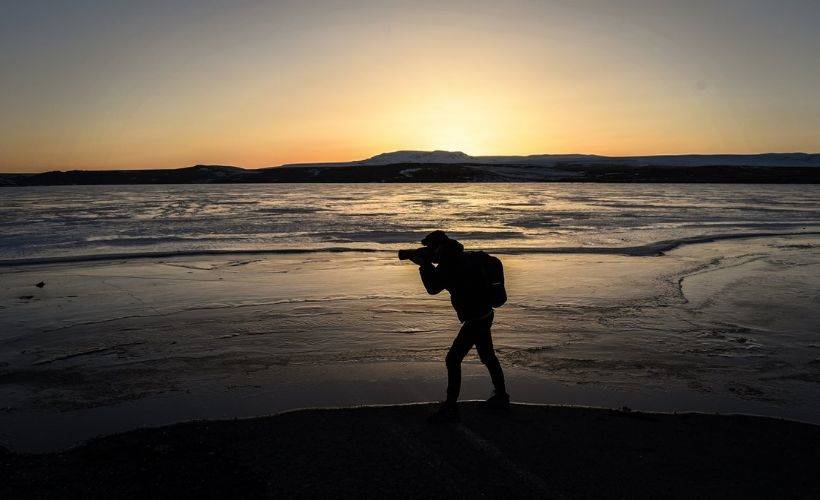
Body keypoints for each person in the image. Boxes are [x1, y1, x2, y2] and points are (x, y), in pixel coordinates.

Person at [409, 230, 510, 423]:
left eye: (430, 249)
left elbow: (432, 288)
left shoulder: (449, 264)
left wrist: (424, 266)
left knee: (453, 359)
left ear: (437, 248)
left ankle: (450, 407)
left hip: (475, 319)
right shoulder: (464, 257)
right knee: (488, 356)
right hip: (485, 313)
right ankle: (501, 397)